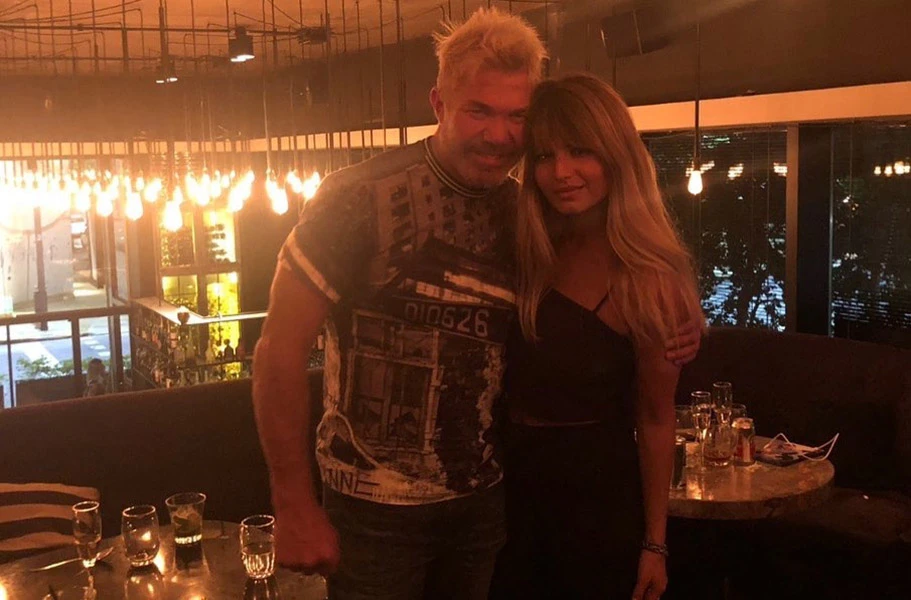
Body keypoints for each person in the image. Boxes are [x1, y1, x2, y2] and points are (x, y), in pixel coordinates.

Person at [252, 9, 700, 600]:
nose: (499, 134)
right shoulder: (358, 197)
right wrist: (292, 501)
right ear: (439, 104)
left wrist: (682, 319)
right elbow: (278, 350)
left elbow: (605, 318)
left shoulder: (525, 216)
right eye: (479, 111)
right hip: (376, 511)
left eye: (517, 116)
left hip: (489, 505)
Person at [492, 73, 706, 600]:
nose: (561, 172)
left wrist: (655, 544)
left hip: (594, 506)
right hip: (502, 495)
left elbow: (656, 419)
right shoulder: (523, 248)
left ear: (616, 155)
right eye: (545, 155)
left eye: (581, 151)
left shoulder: (649, 279)